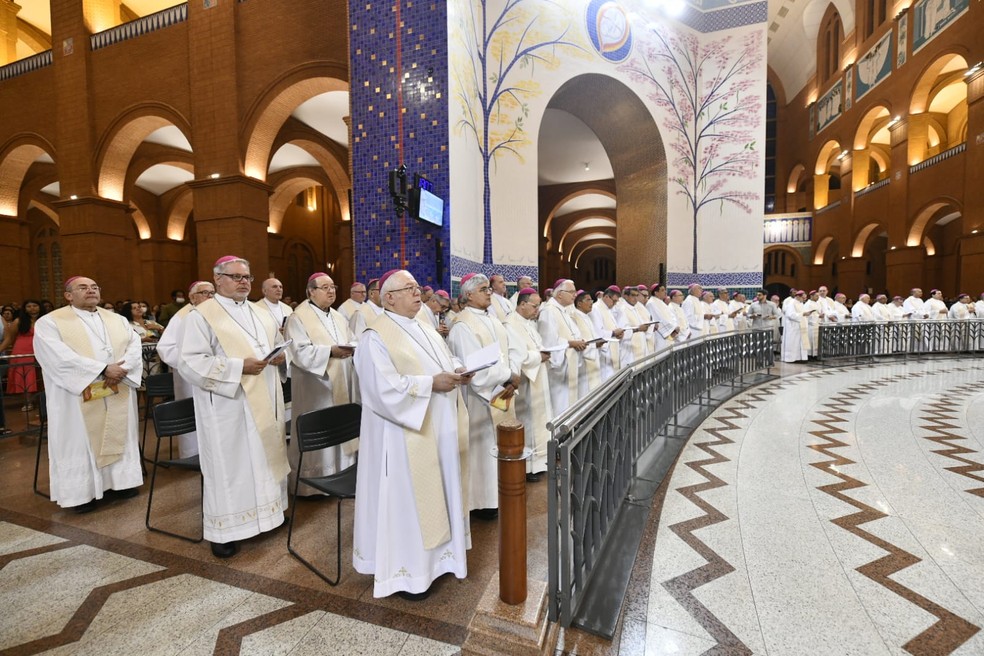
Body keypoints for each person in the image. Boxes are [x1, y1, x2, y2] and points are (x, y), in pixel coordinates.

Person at [352, 269, 473, 600]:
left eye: (418, 287)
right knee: (409, 501)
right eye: (409, 289)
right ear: (388, 298)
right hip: (403, 435)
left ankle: (442, 560)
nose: (418, 293)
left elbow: (443, 360)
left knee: (442, 488)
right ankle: (411, 573)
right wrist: (431, 383)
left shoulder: (425, 326)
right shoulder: (374, 337)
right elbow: (380, 390)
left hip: (439, 427)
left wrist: (459, 369)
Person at [179, 256, 290, 559]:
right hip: (228, 405)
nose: (244, 282)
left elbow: (276, 343)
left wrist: (281, 357)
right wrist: (238, 367)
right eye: (236, 276)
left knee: (265, 455)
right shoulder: (201, 316)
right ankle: (225, 531)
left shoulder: (260, 312)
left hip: (265, 396)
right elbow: (190, 361)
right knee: (231, 466)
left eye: (247, 277)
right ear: (218, 279)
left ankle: (269, 515)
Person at [33, 277, 144, 512]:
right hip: (77, 395)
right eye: (83, 288)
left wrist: (120, 370)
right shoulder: (50, 322)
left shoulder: (117, 319)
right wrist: (103, 369)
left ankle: (122, 483)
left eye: (95, 287)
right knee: (80, 439)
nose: (91, 291)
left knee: (119, 431)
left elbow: (134, 345)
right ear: (68, 295)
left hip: (117, 387)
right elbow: (57, 356)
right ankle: (82, 494)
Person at [447, 272, 516, 519]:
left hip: (501, 391)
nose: (489, 292)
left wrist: (512, 375)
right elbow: (474, 371)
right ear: (468, 295)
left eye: (489, 288)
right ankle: (481, 502)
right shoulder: (463, 326)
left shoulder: (493, 320)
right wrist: (508, 376)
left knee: (496, 443)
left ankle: (497, 494)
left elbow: (506, 353)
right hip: (479, 399)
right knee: (482, 447)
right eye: (484, 289)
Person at [286, 273, 357, 494]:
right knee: (321, 428)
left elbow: (352, 338)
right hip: (315, 387)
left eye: (333, 287)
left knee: (339, 425)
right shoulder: (298, 317)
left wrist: (352, 347)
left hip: (342, 381)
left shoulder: (338, 316)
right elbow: (299, 352)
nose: (331, 291)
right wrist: (330, 352)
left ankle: (341, 473)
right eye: (324, 287)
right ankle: (313, 485)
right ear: (310, 292)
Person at [155, 280, 215, 458]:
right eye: (205, 293)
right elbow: (165, 348)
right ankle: (192, 454)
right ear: (192, 297)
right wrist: (192, 363)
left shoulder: (216, 314)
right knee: (193, 414)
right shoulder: (181, 316)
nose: (210, 296)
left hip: (214, 373)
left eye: (213, 293)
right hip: (191, 378)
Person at [504, 288, 553, 479]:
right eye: (534, 306)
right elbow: (518, 356)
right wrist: (538, 356)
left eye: (539, 305)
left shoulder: (528, 323)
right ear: (522, 304)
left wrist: (544, 353)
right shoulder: (510, 324)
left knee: (540, 419)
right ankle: (529, 466)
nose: (537, 310)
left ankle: (541, 461)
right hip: (526, 382)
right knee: (529, 420)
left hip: (539, 376)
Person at [538, 279, 586, 415]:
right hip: (559, 368)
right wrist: (571, 343)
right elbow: (549, 341)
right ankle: (561, 435)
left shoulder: (563, 310)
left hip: (569, 363)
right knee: (560, 405)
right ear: (560, 294)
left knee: (569, 403)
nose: (575, 295)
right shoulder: (548, 311)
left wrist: (578, 340)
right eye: (571, 292)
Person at [1, 300, 46, 409]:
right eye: (29, 306)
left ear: (40, 307)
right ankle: (28, 402)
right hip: (23, 350)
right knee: (26, 377)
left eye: (35, 305)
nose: (32, 308)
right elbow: (10, 338)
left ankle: (43, 402)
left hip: (42, 350)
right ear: (24, 309)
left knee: (42, 376)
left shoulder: (46, 320)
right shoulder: (18, 321)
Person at [572, 291, 603, 393]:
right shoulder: (574, 316)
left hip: (593, 356)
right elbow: (577, 339)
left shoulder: (587, 317)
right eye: (588, 300)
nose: (591, 302)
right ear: (579, 303)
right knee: (586, 392)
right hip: (584, 359)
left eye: (591, 300)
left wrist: (598, 343)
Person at [590, 285, 625, 377]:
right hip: (604, 352)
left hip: (612, 349)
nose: (614, 304)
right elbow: (598, 333)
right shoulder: (596, 309)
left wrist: (618, 334)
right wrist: (613, 333)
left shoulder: (607, 309)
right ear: (606, 297)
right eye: (614, 301)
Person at [781, 290, 811, 363]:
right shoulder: (791, 303)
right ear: (798, 296)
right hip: (793, 327)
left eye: (805, 298)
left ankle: (801, 357)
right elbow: (790, 315)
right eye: (803, 298)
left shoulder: (800, 303)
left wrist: (806, 314)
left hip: (800, 326)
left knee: (800, 343)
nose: (804, 299)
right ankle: (791, 358)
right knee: (793, 343)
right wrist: (803, 314)